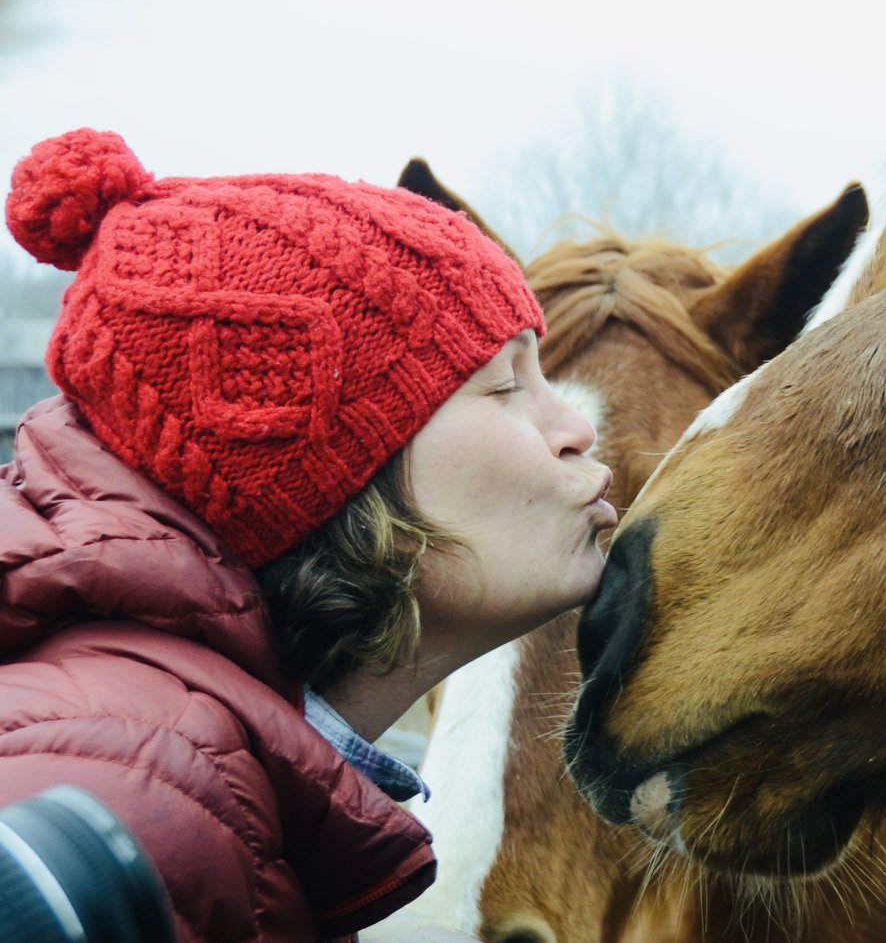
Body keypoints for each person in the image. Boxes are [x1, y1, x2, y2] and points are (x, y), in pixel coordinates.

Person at [0, 128, 616, 941]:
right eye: (504, 383)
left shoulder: (212, 777)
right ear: (330, 474)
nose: (574, 427)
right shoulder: (133, 803)